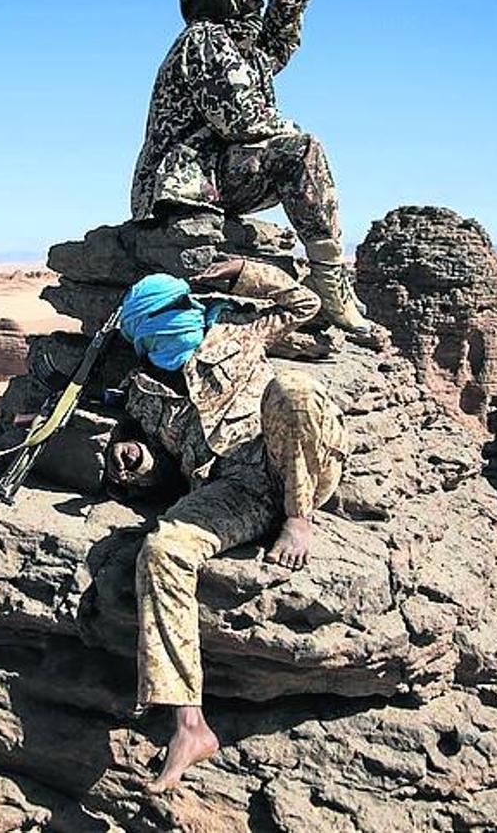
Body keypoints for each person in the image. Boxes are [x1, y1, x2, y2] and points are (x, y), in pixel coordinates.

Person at [107, 257, 349, 793]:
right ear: (141, 337)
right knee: (162, 550)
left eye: (180, 310)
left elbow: (303, 304)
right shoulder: (143, 392)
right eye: (160, 321)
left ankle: (299, 519)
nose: (179, 322)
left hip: (291, 463)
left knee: (294, 390)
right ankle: (190, 726)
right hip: (231, 492)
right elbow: (167, 470)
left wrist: (244, 272)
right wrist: (140, 460)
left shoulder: (234, 330)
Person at [130, 0, 383, 347]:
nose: (255, 1)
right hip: (185, 181)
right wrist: (291, 133)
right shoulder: (204, 39)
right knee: (300, 151)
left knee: (298, 153)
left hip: (209, 177)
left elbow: (274, 52)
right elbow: (238, 119)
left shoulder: (233, 46)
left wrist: (283, 3)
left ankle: (327, 280)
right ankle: (328, 283)